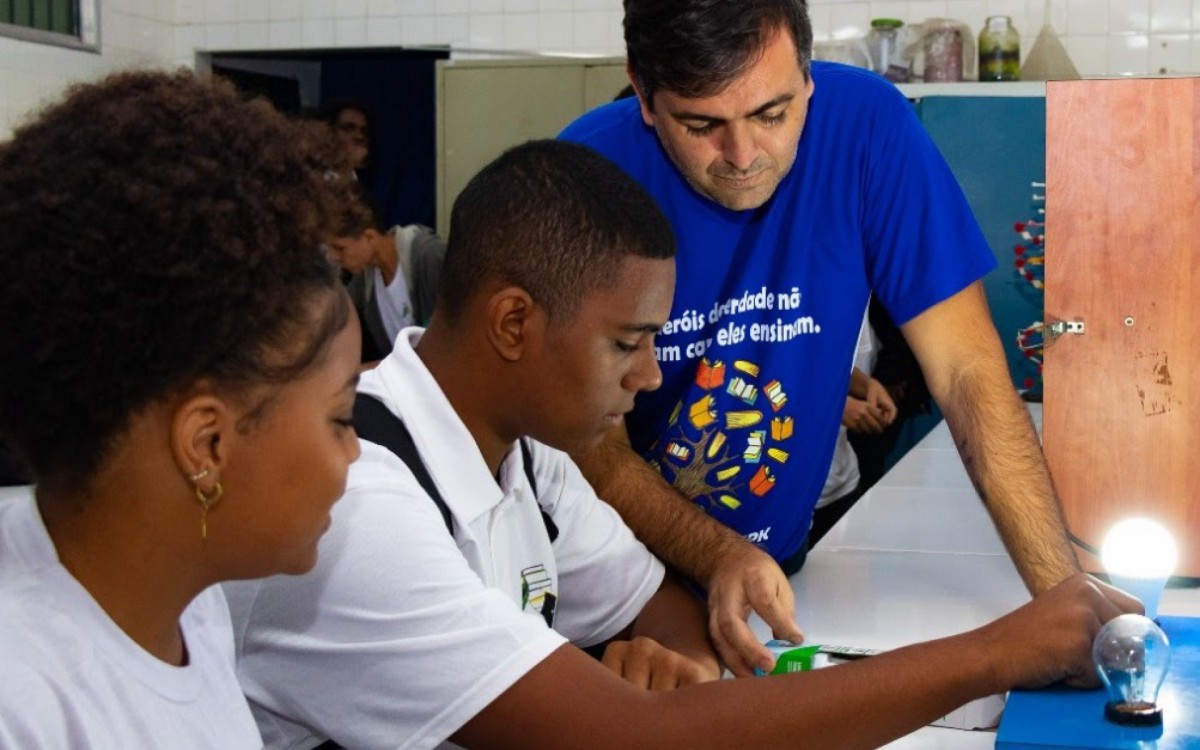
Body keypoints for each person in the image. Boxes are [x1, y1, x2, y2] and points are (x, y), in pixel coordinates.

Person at [226, 138, 1138, 750]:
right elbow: (635, 739)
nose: (652, 375)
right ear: (513, 322)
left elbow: (668, 624)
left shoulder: (534, 457)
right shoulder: (356, 501)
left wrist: (682, 670)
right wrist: (993, 654)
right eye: (627, 343)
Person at [559, 0, 1110, 674]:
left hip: (777, 574)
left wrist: (1064, 595)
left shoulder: (868, 128)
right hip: (621, 599)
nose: (742, 157)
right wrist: (717, 552)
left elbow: (966, 370)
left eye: (772, 114)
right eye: (701, 125)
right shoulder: (584, 178)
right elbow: (589, 444)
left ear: (807, 73)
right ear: (643, 94)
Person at [0, 70, 362, 747]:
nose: (355, 452)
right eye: (340, 420)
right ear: (206, 445)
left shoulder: (189, 608)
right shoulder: (23, 705)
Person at [326, 195, 447, 364]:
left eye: (340, 248)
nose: (335, 257)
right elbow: (335, 314)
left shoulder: (428, 257)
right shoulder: (365, 280)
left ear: (369, 237)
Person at [321, 98, 372, 183]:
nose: (359, 137)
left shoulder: (363, 187)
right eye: (348, 129)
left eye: (363, 131)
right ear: (329, 133)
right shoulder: (313, 181)